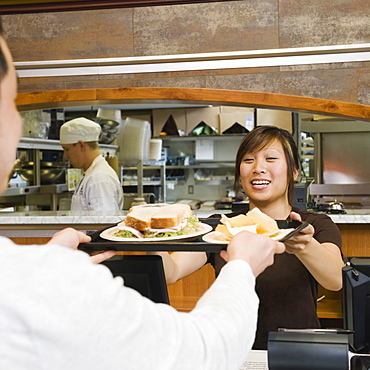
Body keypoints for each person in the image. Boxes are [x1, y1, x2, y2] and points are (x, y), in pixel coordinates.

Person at [0, 18, 285, 369]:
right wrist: (242, 266)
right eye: (12, 103)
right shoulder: (35, 285)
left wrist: (48, 264)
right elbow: (201, 354)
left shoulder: (25, 277)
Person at [155, 125, 344, 350]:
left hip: (297, 350)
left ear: (293, 171)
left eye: (270, 158)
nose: (258, 168)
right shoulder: (222, 225)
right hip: (234, 350)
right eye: (248, 160)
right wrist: (150, 236)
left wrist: (305, 245)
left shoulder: (314, 225)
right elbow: (171, 271)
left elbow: (335, 280)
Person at [60, 117, 124, 211]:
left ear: (82, 146)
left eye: (67, 149)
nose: (65, 156)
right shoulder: (90, 174)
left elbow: (102, 222)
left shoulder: (99, 178)